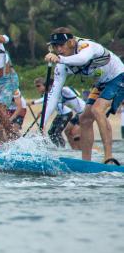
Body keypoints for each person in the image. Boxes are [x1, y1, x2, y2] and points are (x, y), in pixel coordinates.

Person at [43, 28, 124, 162]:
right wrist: (43, 124)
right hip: (102, 83)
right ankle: (86, 162)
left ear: (71, 42)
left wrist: (60, 59)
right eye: (55, 46)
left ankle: (109, 158)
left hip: (119, 76)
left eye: (61, 45)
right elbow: (53, 95)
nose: (58, 49)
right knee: (84, 118)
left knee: (97, 110)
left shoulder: (86, 46)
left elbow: (82, 59)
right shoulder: (61, 64)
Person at [34, 76, 83, 149]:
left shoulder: (63, 90)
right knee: (51, 132)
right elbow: (49, 104)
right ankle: (61, 148)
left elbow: (75, 94)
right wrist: (42, 112)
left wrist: (33, 102)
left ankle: (63, 148)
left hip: (77, 113)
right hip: (68, 114)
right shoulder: (52, 94)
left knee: (61, 132)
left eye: (39, 86)